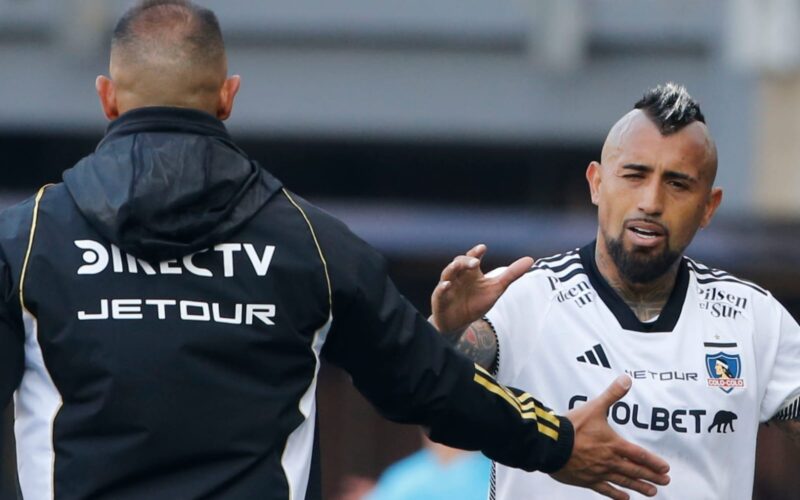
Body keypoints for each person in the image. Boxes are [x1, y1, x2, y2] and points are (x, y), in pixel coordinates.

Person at [0, 2, 670, 499]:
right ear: (228, 98)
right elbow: (428, 383)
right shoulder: (311, 245)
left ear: (107, 98)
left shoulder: (27, 242)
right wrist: (554, 440)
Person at [430, 83, 800, 499]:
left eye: (677, 184)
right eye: (634, 175)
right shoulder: (526, 299)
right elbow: (430, 397)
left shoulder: (752, 319)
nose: (651, 201)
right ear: (596, 183)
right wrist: (444, 331)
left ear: (708, 207)